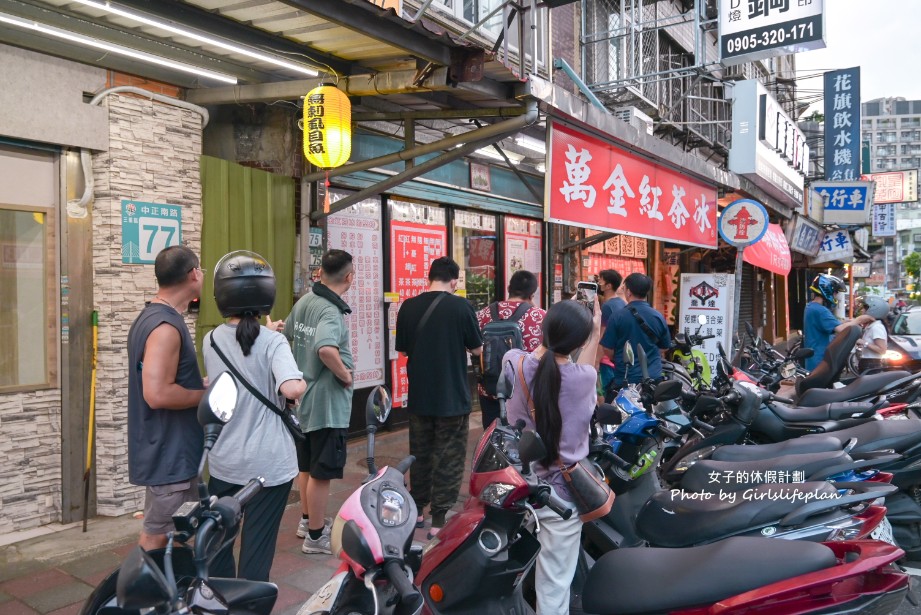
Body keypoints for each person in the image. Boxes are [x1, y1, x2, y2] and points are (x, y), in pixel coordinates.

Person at [203, 251, 307, 581]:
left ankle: (218, 597)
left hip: (224, 460)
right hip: (270, 467)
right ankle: (250, 602)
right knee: (257, 548)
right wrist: (300, 380)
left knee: (218, 542)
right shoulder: (274, 342)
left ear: (221, 295)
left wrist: (267, 333)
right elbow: (290, 389)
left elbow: (243, 348)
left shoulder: (211, 340)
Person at [505, 300, 600, 614]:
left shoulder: (513, 362)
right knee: (555, 584)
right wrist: (594, 329)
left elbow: (534, 358)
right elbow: (584, 368)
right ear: (582, 342)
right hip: (560, 495)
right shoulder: (583, 379)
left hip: (518, 487)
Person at [395, 257, 483, 537]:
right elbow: (478, 349)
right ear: (454, 281)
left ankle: (418, 510)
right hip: (452, 397)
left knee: (419, 454)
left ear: (428, 277)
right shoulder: (461, 307)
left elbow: (405, 350)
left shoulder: (408, 307)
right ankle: (439, 519)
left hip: (420, 395)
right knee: (449, 457)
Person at [127, 245, 206, 550]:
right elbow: (157, 393)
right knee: (157, 535)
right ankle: (148, 595)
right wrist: (204, 395)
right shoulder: (165, 326)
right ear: (193, 274)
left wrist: (195, 382)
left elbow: (162, 379)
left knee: (175, 533)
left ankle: (169, 594)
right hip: (169, 452)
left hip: (168, 449)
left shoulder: (154, 317)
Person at [281, 249, 355, 555]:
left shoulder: (305, 302)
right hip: (327, 406)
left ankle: (307, 520)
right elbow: (326, 349)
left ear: (320, 272)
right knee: (322, 473)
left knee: (308, 467)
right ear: (349, 277)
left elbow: (286, 334)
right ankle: (315, 537)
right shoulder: (329, 310)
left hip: (305, 401)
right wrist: (346, 376)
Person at [475, 270, 546, 429]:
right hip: (525, 394)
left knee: (493, 434)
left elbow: (473, 347)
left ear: (508, 288)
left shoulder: (484, 313)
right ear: (531, 294)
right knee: (524, 443)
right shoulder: (540, 316)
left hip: (490, 389)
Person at [600, 273, 671, 389]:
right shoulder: (658, 316)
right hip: (653, 379)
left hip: (626, 379)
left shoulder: (617, 316)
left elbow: (607, 348)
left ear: (628, 292)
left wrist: (620, 357)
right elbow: (665, 347)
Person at [803, 274, 873, 372]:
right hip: (820, 360)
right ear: (828, 290)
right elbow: (840, 329)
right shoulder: (820, 310)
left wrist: (848, 321)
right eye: (835, 292)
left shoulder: (810, 306)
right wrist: (859, 319)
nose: (836, 295)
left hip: (813, 359)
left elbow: (828, 324)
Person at [596, 269, 625, 394]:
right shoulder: (621, 303)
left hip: (606, 359)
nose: (598, 283)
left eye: (600, 280)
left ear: (608, 286)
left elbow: (602, 335)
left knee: (603, 392)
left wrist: (596, 360)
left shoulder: (608, 306)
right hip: (618, 356)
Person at [856, 297, 890, 373]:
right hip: (867, 362)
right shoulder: (871, 326)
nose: (862, 310)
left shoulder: (877, 327)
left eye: (865, 308)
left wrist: (864, 343)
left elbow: (882, 350)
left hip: (872, 364)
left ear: (874, 311)